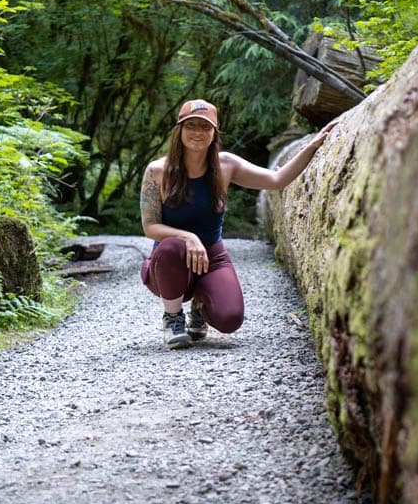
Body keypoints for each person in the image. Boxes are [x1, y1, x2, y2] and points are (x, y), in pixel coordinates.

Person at [140, 99, 337, 349]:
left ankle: (200, 305)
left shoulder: (226, 165)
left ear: (214, 133)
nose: (198, 133)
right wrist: (189, 237)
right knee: (171, 247)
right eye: (191, 126)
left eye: (205, 127)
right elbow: (150, 227)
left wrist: (313, 145)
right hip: (171, 261)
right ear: (179, 131)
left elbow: (276, 180)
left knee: (230, 318)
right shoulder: (157, 171)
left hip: (211, 256)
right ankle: (173, 318)